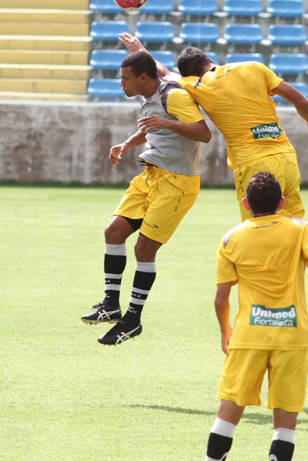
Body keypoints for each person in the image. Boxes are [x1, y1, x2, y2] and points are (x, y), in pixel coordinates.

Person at [206, 171, 308, 461]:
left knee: (228, 412)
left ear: (246, 203)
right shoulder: (300, 228)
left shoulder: (231, 238)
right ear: (282, 202)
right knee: (285, 425)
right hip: (291, 337)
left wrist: (224, 331)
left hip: (248, 336)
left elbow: (221, 298)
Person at [119, 34, 308, 221]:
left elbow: (162, 72)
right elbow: (300, 100)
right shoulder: (254, 67)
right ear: (207, 60)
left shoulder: (198, 84)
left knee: (258, 229)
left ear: (189, 74)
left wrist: (139, 49)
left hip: (253, 163)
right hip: (286, 157)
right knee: (296, 226)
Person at [81, 50, 211, 346]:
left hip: (178, 183)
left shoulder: (174, 97)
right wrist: (126, 144)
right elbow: (152, 126)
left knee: (144, 249)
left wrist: (169, 124)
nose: (121, 84)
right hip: (151, 175)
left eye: (125, 79)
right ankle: (111, 304)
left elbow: (204, 134)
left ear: (142, 78)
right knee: (113, 232)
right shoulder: (148, 95)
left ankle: (132, 320)